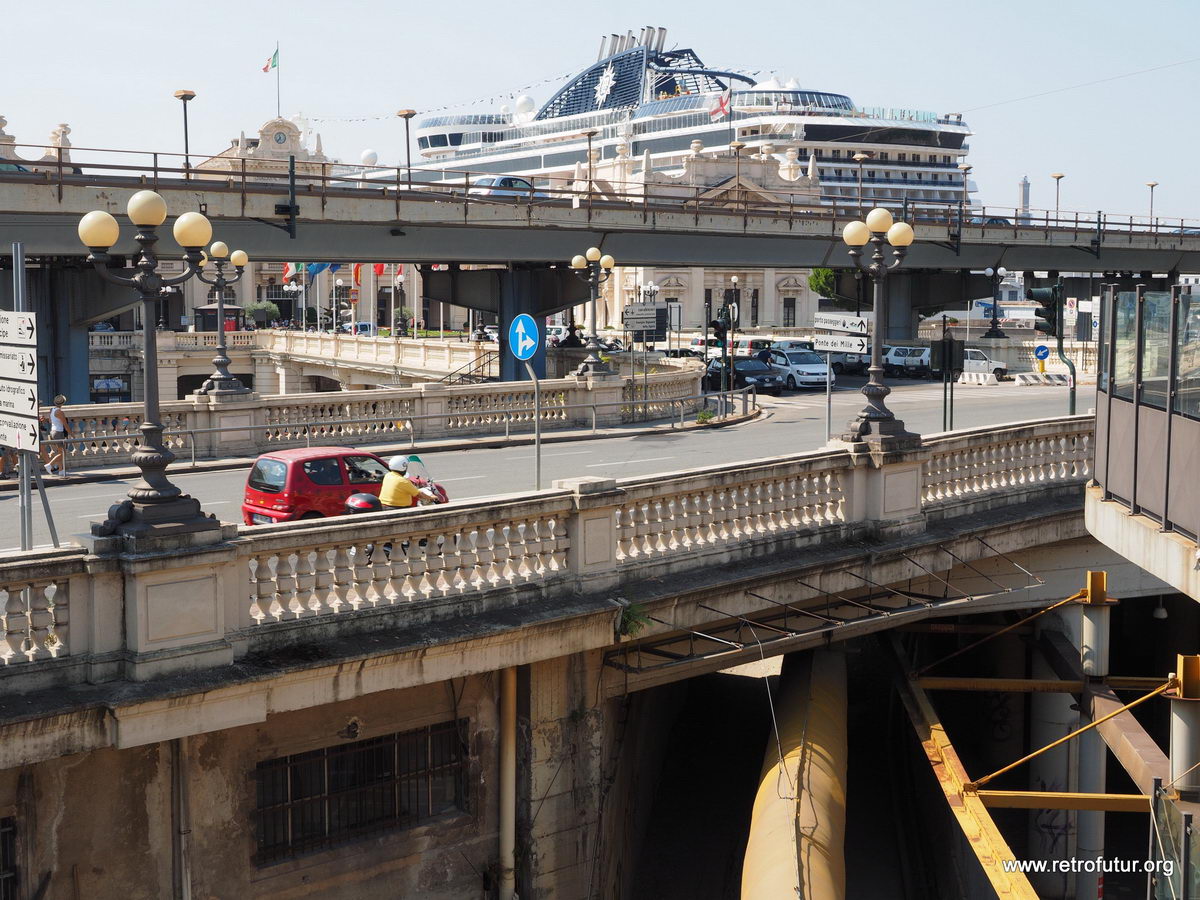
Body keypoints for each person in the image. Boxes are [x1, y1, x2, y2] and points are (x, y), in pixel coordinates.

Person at [46, 395, 69, 475]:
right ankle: (49, 465)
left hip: (52, 432)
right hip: (58, 432)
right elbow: (65, 425)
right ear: (63, 403)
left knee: (59, 452)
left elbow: (49, 421)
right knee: (62, 453)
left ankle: (61, 470)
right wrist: (72, 434)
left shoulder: (52, 410)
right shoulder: (60, 412)